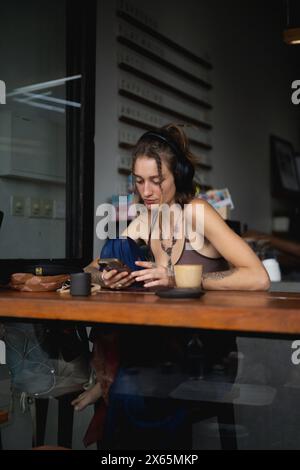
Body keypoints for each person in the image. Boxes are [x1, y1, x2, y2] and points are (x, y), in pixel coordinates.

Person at [72, 123, 270, 448]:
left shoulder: (197, 212)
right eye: (139, 181)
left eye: (156, 180)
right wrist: (106, 278)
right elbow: (91, 270)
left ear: (176, 175)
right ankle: (112, 375)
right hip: (159, 353)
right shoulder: (145, 219)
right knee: (117, 250)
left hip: (206, 356)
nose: (146, 191)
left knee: (132, 387)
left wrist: (180, 278)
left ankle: (110, 379)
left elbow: (257, 276)